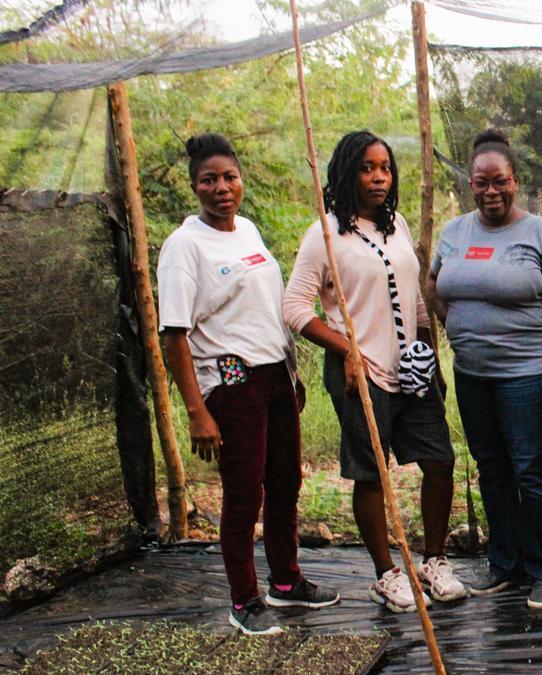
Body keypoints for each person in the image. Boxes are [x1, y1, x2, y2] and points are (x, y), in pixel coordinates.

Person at [158, 133, 339, 635]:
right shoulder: (184, 246)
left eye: (229, 177)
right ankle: (243, 599)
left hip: (274, 373)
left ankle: (286, 582)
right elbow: (174, 334)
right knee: (244, 492)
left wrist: (292, 372)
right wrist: (198, 411)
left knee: (286, 482)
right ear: (195, 187)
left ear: (242, 181)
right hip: (231, 376)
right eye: (209, 180)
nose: (221, 188)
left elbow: (267, 311)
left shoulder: (249, 232)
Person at [283, 130, 467, 613]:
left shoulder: (397, 225)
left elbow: (416, 302)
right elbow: (295, 307)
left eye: (385, 167)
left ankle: (433, 560)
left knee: (439, 460)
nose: (379, 176)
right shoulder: (325, 234)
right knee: (371, 475)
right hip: (360, 374)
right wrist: (346, 350)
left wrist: (430, 353)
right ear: (348, 172)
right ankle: (386, 573)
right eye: (367, 167)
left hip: (410, 368)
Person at [424, 128, 542, 609]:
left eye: (500, 182)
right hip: (473, 376)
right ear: (470, 184)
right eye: (481, 183)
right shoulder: (454, 232)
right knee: (491, 470)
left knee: (530, 471)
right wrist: (456, 324)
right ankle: (506, 564)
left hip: (527, 376)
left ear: (515, 180)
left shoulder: (540, 234)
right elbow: (432, 283)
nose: (491, 192)